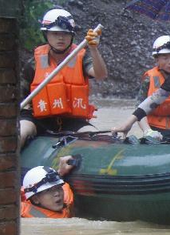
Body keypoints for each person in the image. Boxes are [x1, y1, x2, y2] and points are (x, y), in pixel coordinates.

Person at [19, 8, 108, 148]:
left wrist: (93, 49)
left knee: (97, 139)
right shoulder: (34, 63)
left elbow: (101, 75)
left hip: (72, 120)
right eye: (55, 33)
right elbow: (21, 97)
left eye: (65, 34)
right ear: (46, 34)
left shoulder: (81, 56)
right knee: (21, 132)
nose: (60, 38)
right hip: (38, 118)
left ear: (71, 35)